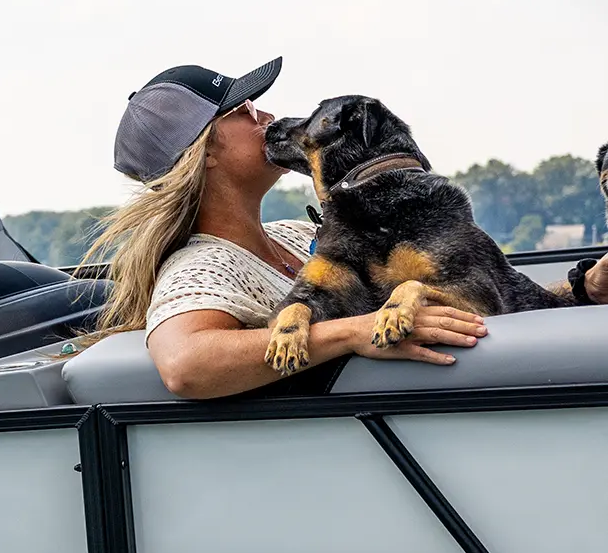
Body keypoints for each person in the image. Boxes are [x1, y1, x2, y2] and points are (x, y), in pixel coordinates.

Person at [85, 59, 496, 398]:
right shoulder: (202, 267)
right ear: (206, 150)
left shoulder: (295, 235)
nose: (267, 116)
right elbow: (184, 365)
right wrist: (353, 333)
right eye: (245, 110)